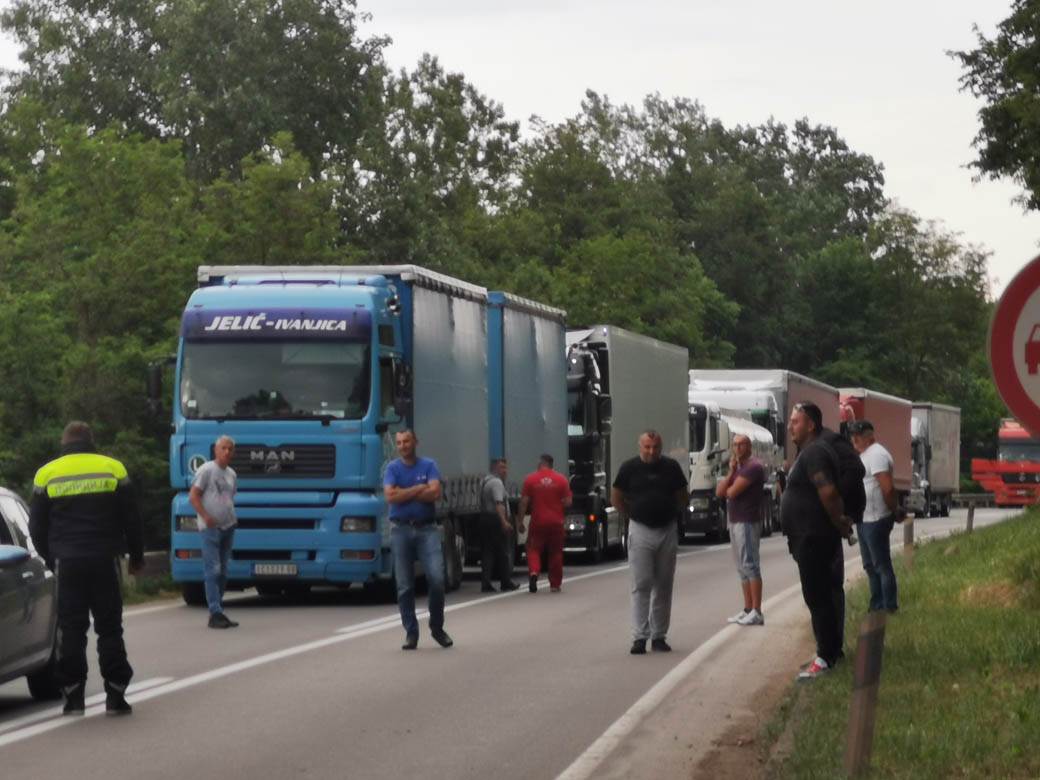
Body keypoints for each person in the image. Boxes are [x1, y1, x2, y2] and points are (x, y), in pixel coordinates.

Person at [28, 421, 143, 717]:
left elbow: (36, 528)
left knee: (71, 629)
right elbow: (132, 518)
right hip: (105, 559)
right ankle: (116, 695)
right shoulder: (113, 468)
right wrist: (136, 556)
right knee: (109, 627)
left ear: (64, 442)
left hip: (67, 562)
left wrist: (51, 556)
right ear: (91, 441)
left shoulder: (47, 473)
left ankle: (73, 697)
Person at [780, 402, 852, 680]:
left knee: (817, 596)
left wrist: (838, 521)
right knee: (821, 596)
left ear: (811, 424)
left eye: (795, 422)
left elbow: (829, 492)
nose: (790, 427)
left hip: (813, 536)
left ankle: (825, 656)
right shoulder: (810, 452)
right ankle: (831, 651)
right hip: (808, 536)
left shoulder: (815, 453)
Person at [611, 431, 689, 655]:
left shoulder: (671, 467)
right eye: (647, 447)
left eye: (655, 447)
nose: (651, 451)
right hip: (640, 528)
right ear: (640, 446)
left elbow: (682, 495)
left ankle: (659, 635)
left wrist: (673, 513)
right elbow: (616, 496)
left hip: (666, 529)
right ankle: (639, 637)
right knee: (641, 583)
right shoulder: (628, 468)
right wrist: (631, 513)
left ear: (660, 447)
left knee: (664, 584)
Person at [384, 430, 452, 650]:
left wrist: (404, 492)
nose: (403, 446)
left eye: (406, 441)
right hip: (400, 531)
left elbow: (435, 494)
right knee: (404, 586)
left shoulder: (429, 465)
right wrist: (418, 489)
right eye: (399, 442)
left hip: (427, 530)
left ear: (415, 442)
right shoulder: (392, 468)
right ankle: (411, 633)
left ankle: (437, 628)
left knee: (437, 579)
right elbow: (390, 497)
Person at [849, 420, 900, 613]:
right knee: (870, 566)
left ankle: (889, 607)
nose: (855, 438)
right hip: (865, 519)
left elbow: (887, 488)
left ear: (870, 436)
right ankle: (877, 605)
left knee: (881, 565)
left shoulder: (877, 454)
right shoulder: (864, 455)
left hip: (877, 518)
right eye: (853, 435)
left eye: (859, 435)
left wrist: (894, 511)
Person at [189, 435, 239, 629]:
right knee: (213, 568)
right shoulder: (207, 470)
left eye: (230, 449)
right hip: (210, 527)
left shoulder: (232, 474)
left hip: (229, 525)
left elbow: (228, 497)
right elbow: (194, 496)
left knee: (224, 571)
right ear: (216, 451)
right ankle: (214, 612)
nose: (227, 452)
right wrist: (206, 516)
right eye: (223, 448)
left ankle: (219, 608)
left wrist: (232, 516)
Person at [716, 434, 766, 626]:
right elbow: (720, 492)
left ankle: (757, 610)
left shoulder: (753, 467)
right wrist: (730, 472)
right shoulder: (737, 468)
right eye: (735, 445)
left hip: (747, 520)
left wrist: (730, 485)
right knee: (741, 567)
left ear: (749, 446)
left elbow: (731, 492)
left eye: (742, 445)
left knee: (750, 564)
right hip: (735, 520)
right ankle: (747, 608)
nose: (737, 448)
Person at [516, 454, 572, 593]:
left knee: (533, 549)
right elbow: (568, 502)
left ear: (541, 463)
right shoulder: (561, 480)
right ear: (552, 464)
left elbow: (524, 503)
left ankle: (534, 572)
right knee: (556, 553)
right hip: (556, 522)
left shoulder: (531, 479)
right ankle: (555, 584)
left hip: (538, 522)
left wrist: (520, 521)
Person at [479, 458, 519, 593]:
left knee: (488, 552)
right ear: (495, 468)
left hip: (485, 519)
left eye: (505, 468)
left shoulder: (485, 481)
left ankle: (486, 583)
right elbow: (498, 503)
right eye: (502, 468)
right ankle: (505, 582)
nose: (505, 471)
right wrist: (504, 522)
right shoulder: (496, 483)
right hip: (494, 520)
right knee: (503, 552)